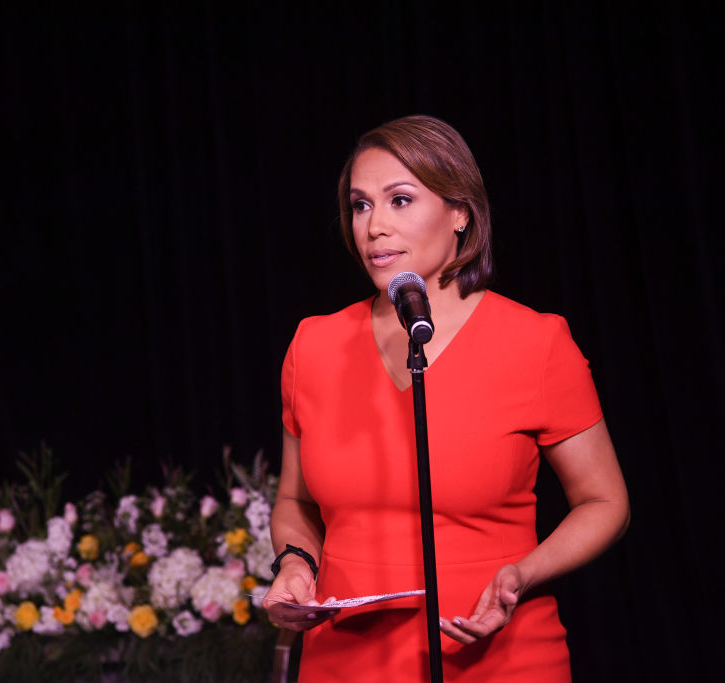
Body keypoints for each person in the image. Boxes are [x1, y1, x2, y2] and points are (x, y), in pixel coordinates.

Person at [264, 115, 629, 681]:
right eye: (360, 205)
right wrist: (294, 563)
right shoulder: (314, 345)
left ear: (460, 212)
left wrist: (523, 574)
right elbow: (294, 500)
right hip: (346, 662)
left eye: (400, 200)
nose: (374, 226)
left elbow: (604, 502)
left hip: (498, 659)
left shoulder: (535, 342)